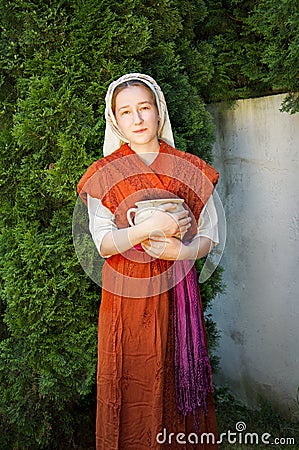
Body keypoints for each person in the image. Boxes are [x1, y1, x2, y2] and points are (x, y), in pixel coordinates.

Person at [78, 73, 220, 449]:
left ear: (159, 112)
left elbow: (211, 235)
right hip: (127, 296)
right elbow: (105, 243)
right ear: (115, 121)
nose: (137, 119)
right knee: (131, 376)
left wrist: (184, 251)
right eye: (126, 112)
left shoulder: (190, 168)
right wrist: (151, 227)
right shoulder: (103, 174)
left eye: (144, 108)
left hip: (177, 294)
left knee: (175, 381)